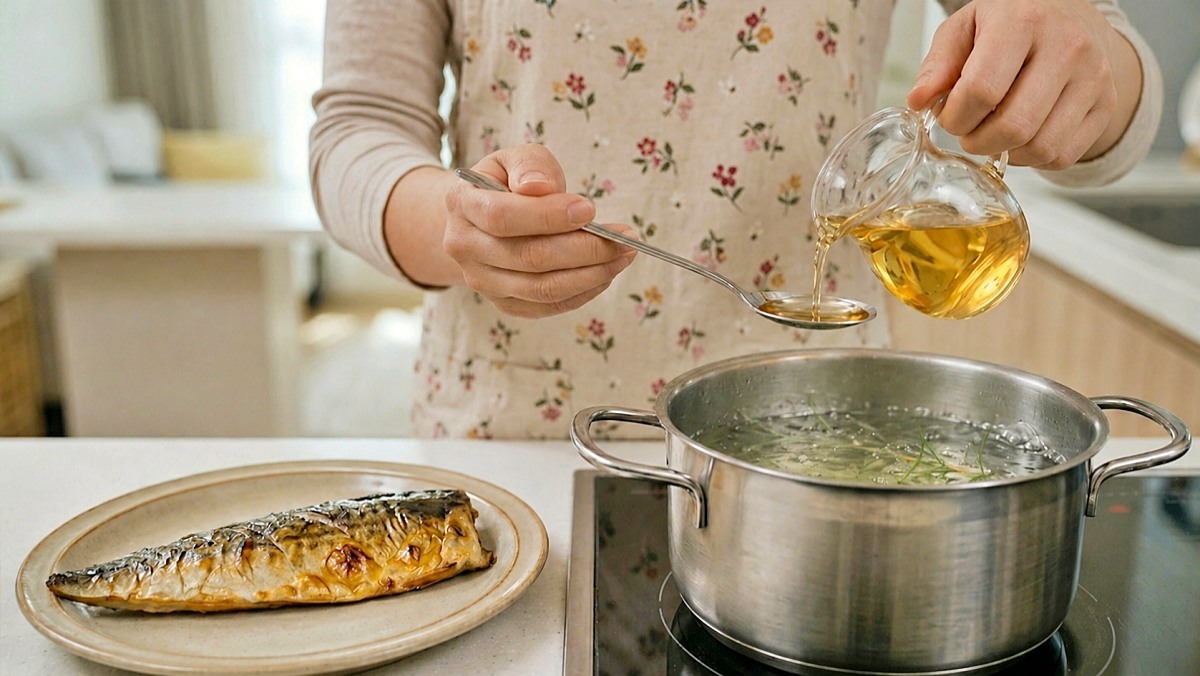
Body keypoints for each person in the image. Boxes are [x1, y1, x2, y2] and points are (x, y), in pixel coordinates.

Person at [310, 0, 1161, 439]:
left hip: (823, 430)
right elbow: (356, 128)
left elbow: (1120, 94)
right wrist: (458, 227)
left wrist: (1087, 62)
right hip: (518, 433)